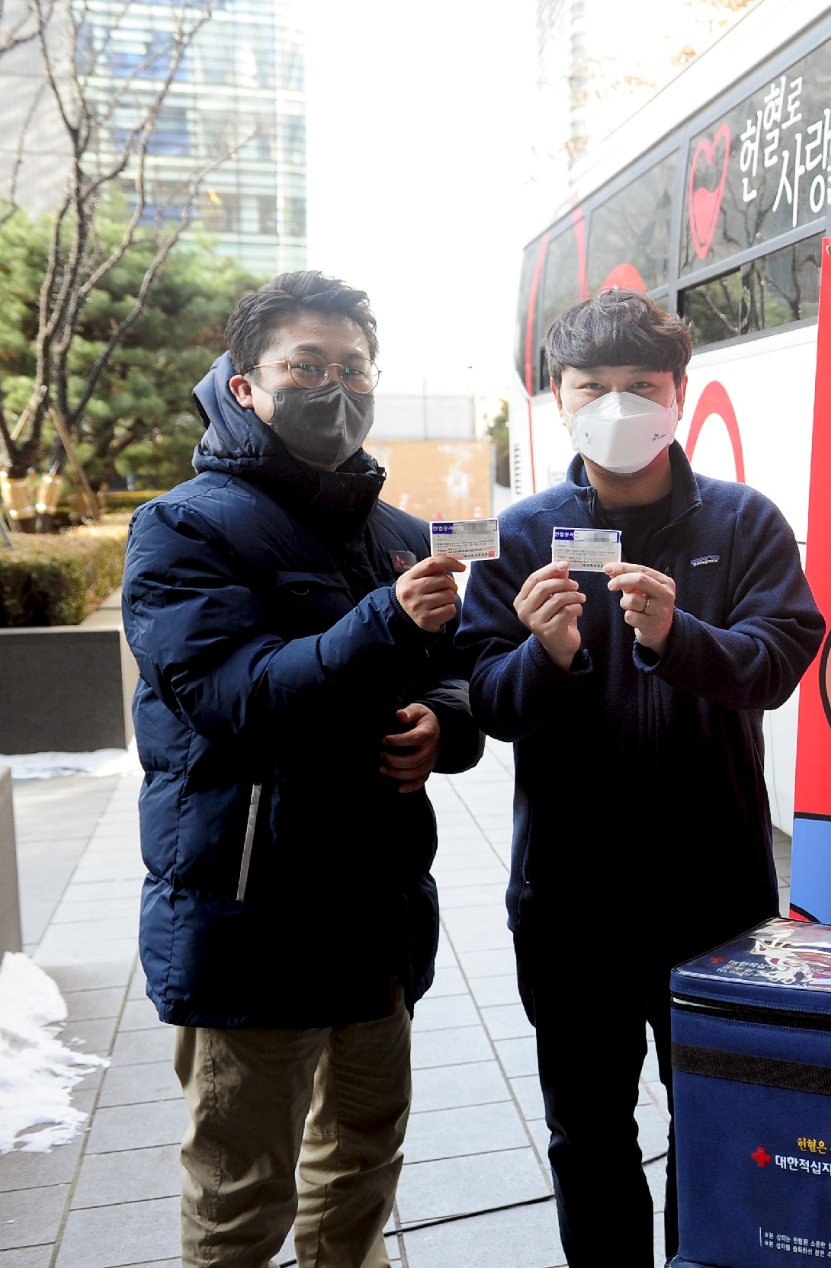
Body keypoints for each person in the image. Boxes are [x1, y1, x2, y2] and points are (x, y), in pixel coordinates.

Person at [456, 288, 824, 1267]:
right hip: (570, 897)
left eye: (641, 386)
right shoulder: (524, 531)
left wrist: (676, 634)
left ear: (680, 393)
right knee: (587, 1133)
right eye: (593, 387)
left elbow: (782, 656)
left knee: (720, 1125)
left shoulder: (744, 521)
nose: (618, 406)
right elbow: (484, 698)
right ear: (558, 400)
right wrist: (545, 652)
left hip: (716, 894)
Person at [122, 271, 484, 1267]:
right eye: (306, 368)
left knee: (361, 1164)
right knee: (243, 1193)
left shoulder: (401, 533)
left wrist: (440, 725)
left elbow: (459, 675)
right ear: (246, 385)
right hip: (251, 916)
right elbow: (233, 694)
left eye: (352, 369)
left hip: (375, 909)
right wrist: (384, 622)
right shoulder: (181, 527)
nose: (334, 388)